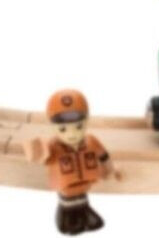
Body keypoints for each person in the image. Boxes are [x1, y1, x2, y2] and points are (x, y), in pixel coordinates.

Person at [24, 89, 121, 235]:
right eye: (63, 129)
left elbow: (104, 157)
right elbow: (42, 157)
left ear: (86, 122)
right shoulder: (53, 147)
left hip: (84, 187)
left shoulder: (91, 142)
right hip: (66, 191)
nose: (72, 134)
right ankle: (67, 218)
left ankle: (83, 214)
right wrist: (37, 152)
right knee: (69, 208)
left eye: (78, 127)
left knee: (82, 203)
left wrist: (111, 170)